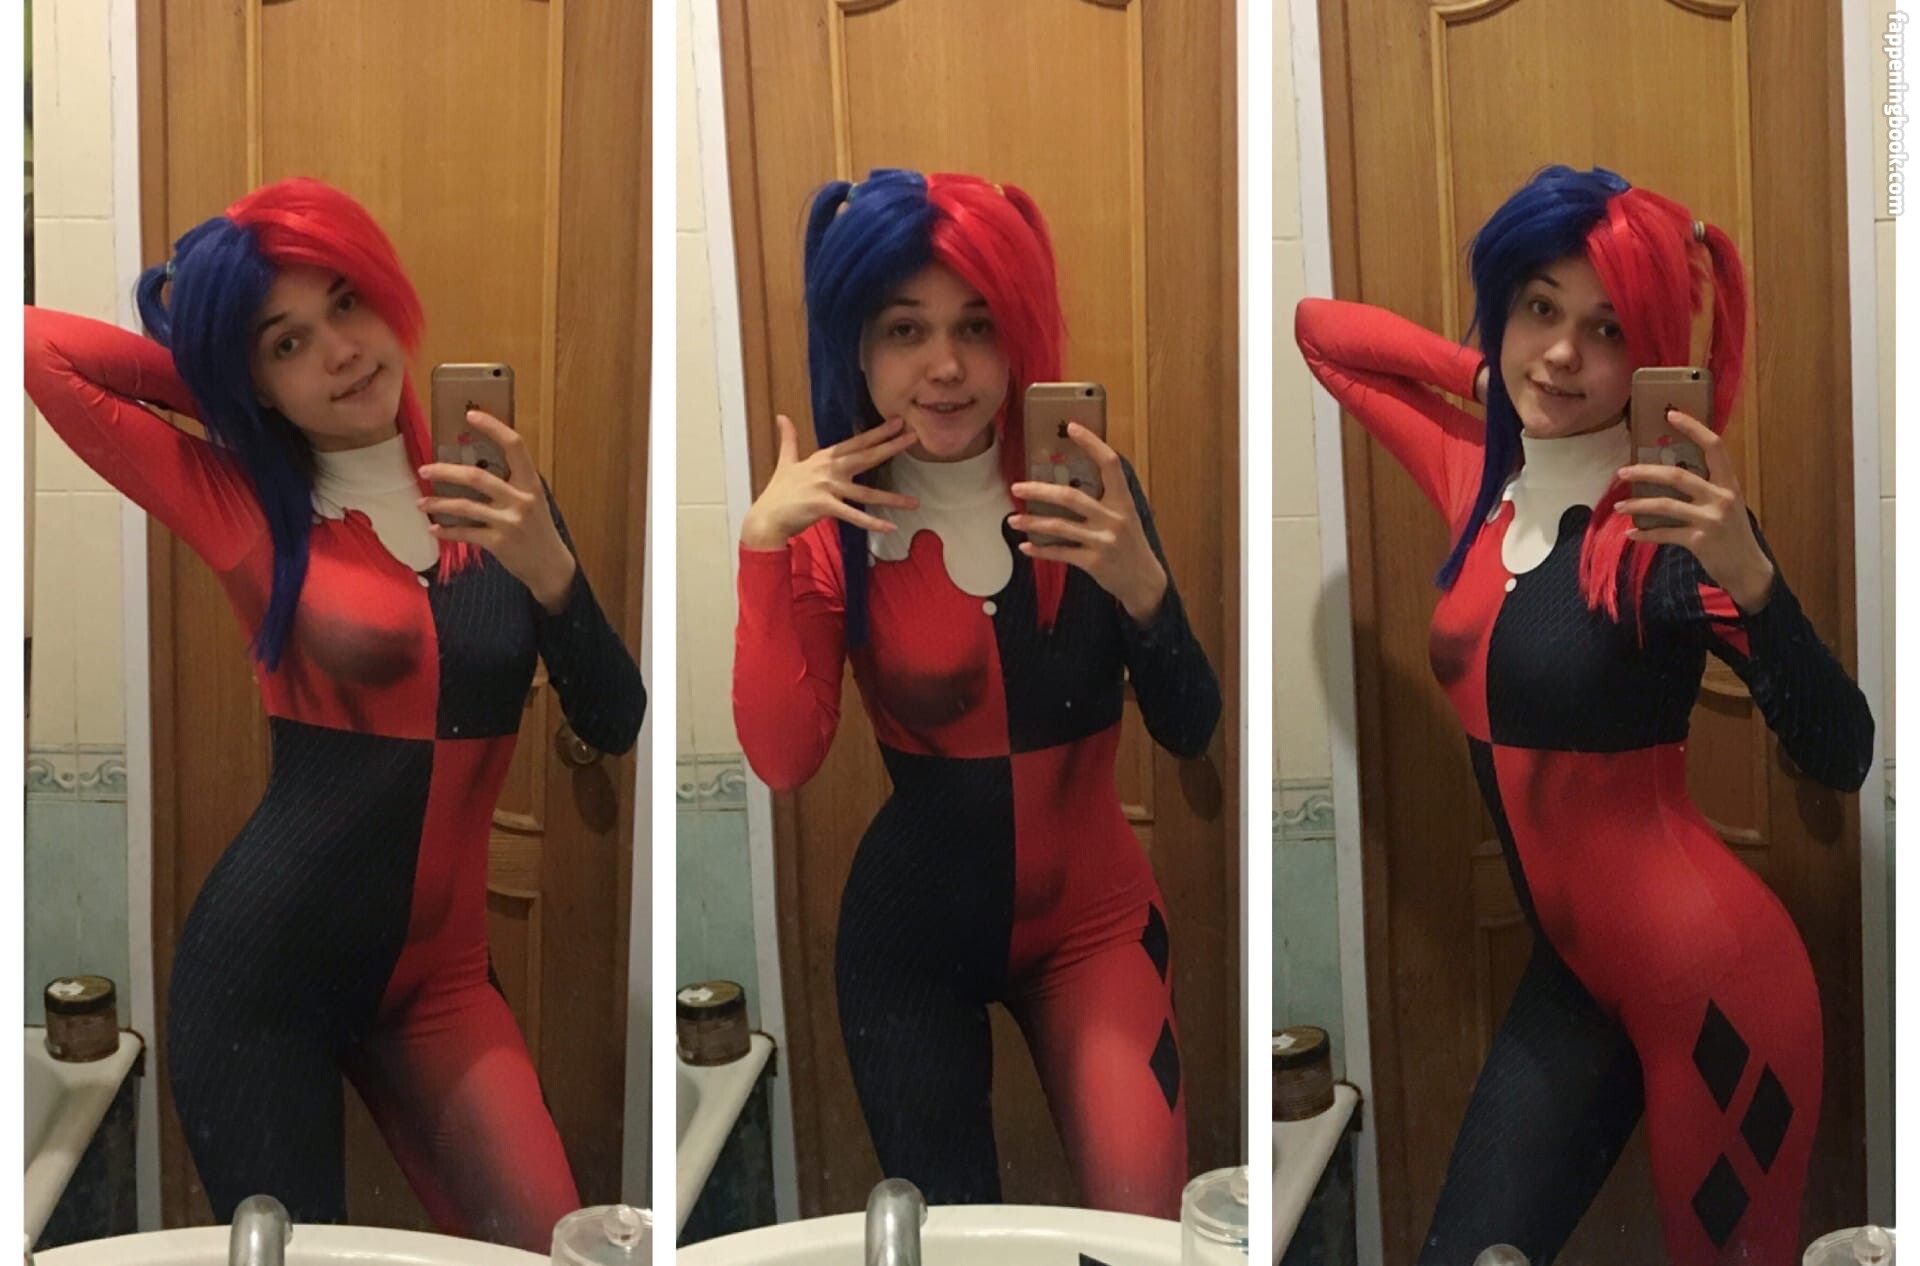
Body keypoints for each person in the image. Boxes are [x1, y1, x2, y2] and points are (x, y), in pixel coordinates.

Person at [23, 177, 645, 1250]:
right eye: (288, 343)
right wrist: (226, 381)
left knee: (553, 1242)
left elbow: (614, 717)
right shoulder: (240, 503)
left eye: (347, 303)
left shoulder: (495, 494)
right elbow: (39, 348)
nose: (340, 352)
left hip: (445, 987)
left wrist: (551, 571)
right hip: (260, 984)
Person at [1295, 165, 1873, 1265]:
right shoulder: (1477, 476)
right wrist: (1489, 377)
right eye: (1538, 308)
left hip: (1720, 989)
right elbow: (1321, 335)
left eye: (1606, 330)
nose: (1562, 353)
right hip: (1571, 987)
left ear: (1650, 354)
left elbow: (1842, 752)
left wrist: (1752, 577)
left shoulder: (1670, 531)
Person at [731, 169, 1220, 1216]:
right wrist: (764, 546)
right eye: (906, 329)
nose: (945, 366)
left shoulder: (1089, 492)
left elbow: (1192, 727)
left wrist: (1142, 586)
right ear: (857, 346)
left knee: (1143, 1227)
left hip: (1097, 926)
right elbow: (784, 758)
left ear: (1020, 335)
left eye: (978, 326)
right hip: (908, 944)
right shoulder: (833, 525)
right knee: (947, 1240)